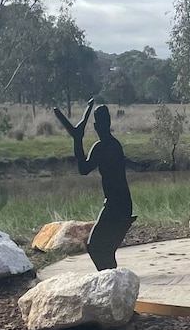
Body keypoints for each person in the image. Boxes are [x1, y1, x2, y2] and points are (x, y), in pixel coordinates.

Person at [55, 100, 135, 270]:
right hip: (118, 203)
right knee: (101, 248)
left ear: (99, 125)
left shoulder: (105, 147)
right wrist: (77, 139)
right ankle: (110, 277)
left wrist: (77, 140)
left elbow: (83, 169)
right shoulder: (110, 145)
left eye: (100, 123)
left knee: (97, 247)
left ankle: (110, 278)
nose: (98, 126)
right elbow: (84, 169)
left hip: (117, 205)